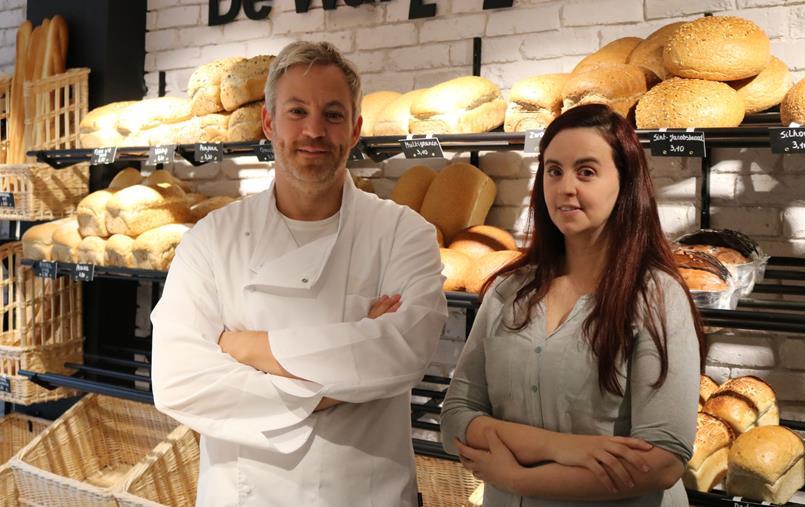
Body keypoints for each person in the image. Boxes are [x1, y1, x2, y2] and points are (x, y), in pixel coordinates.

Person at [151, 40, 448, 507]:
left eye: (333, 114)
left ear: (355, 129)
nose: (314, 130)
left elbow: (404, 351)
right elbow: (176, 380)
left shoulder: (403, 233)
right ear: (269, 123)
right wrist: (346, 367)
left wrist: (246, 347)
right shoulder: (213, 238)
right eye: (296, 111)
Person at [440, 103, 706, 506]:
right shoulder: (508, 290)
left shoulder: (655, 297)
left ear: (625, 181)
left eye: (586, 171)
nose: (566, 187)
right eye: (554, 170)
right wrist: (564, 448)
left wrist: (516, 477)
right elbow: (456, 417)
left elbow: (662, 462)